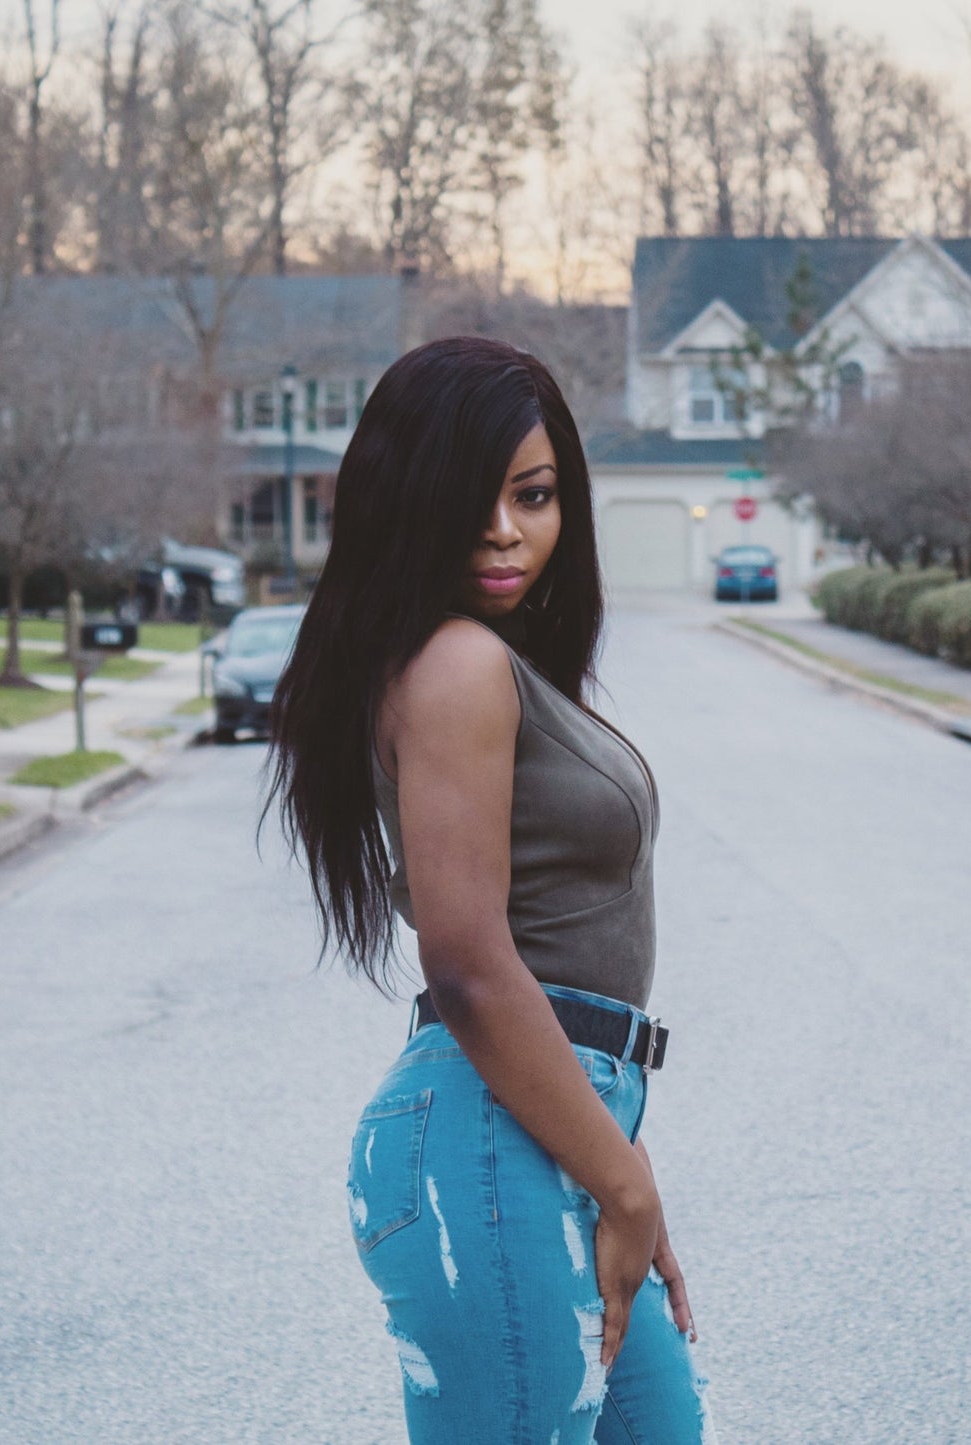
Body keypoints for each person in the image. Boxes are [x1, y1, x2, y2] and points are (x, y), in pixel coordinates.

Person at [259, 336, 714, 1442]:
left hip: (548, 1120)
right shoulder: (456, 663)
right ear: (407, 503)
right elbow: (467, 965)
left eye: (535, 494)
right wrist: (623, 1183)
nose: (504, 528)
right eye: (471, 498)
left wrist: (616, 1154)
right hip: (487, 1141)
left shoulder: (482, 661)